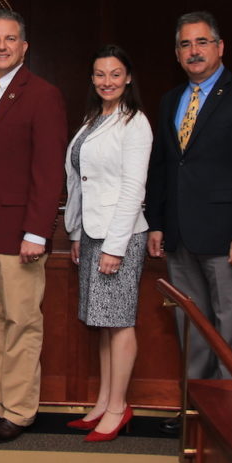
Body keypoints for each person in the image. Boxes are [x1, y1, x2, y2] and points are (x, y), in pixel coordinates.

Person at [145, 11, 232, 435]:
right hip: (181, 236)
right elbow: (164, 168)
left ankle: (231, 422)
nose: (194, 51)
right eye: (185, 44)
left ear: (220, 47)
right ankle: (196, 413)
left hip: (228, 237)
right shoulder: (170, 100)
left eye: (202, 42)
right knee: (193, 329)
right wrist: (158, 224)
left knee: (231, 332)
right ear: (177, 54)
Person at [0, 10, 67, 443]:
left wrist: (37, 231)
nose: (1, 46)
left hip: (19, 232)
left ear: (24, 47)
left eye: (11, 39)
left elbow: (48, 169)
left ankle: (19, 411)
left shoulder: (43, 95)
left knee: (21, 320)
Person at [64, 45, 153, 442]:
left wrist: (115, 247)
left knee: (119, 322)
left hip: (121, 236)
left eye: (115, 74)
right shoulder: (92, 119)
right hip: (93, 233)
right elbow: (80, 182)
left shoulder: (135, 123)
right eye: (100, 74)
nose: (107, 82)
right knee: (101, 322)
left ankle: (119, 407)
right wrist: (77, 234)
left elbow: (134, 188)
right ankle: (103, 401)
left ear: (128, 77)